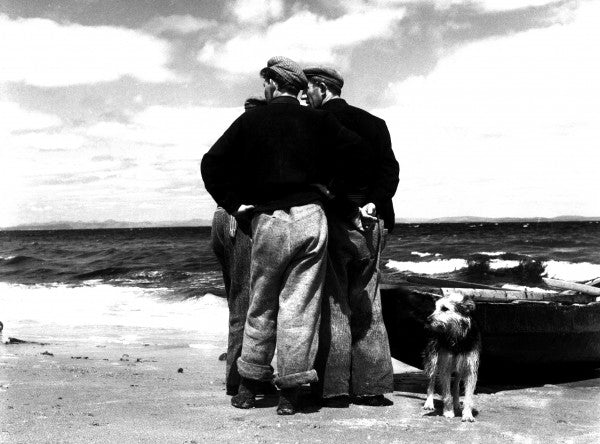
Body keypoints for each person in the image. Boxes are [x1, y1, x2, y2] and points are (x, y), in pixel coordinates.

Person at [201, 56, 366, 415]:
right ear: (298, 88)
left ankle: (248, 388)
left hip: (267, 219)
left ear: (273, 83)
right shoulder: (319, 119)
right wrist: (332, 190)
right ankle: (291, 395)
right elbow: (357, 151)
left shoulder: (251, 120)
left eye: (265, 83)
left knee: (261, 305)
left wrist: (234, 204)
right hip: (311, 217)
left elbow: (210, 163)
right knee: (300, 308)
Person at [302, 65, 400, 407]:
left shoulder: (316, 125)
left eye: (308, 89)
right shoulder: (375, 123)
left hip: (337, 220)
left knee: (334, 304)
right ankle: (371, 387)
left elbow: (318, 178)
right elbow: (390, 171)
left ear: (320, 87)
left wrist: (347, 206)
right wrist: (372, 201)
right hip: (373, 222)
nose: (305, 95)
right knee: (367, 302)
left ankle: (335, 388)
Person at [209, 96, 267, 397]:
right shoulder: (255, 142)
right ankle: (240, 379)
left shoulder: (233, 138)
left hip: (221, 217)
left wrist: (229, 202)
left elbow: (210, 164)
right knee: (246, 300)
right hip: (239, 221)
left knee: (237, 300)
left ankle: (237, 375)